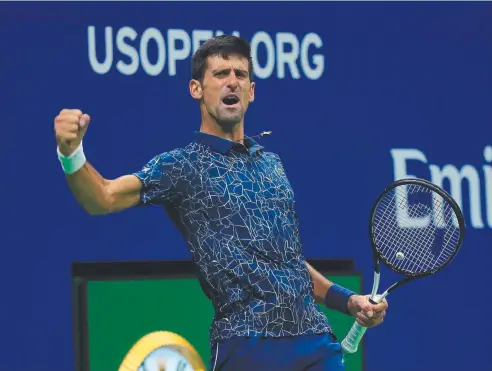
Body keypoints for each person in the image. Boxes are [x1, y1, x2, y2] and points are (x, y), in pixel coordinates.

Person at [54, 35, 388, 370]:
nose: (232, 82)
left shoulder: (271, 164)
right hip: (246, 345)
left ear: (252, 91)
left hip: (315, 343)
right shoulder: (181, 166)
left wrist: (348, 301)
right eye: (220, 74)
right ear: (196, 89)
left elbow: (288, 263)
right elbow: (103, 197)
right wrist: (71, 153)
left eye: (240, 75)